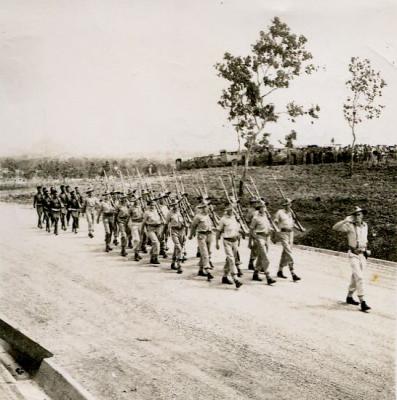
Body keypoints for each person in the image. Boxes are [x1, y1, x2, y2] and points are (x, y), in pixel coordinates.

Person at [332, 207, 371, 312]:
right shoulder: (349, 226)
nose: (357, 217)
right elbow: (335, 227)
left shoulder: (365, 226)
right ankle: (363, 301)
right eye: (355, 215)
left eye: (359, 214)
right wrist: (345, 220)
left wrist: (366, 250)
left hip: (362, 255)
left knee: (355, 277)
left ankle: (349, 297)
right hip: (353, 254)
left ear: (362, 215)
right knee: (360, 277)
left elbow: (365, 240)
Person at [273, 198, 301, 282]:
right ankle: (293, 273)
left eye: (290, 204)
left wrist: (300, 228)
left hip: (290, 233)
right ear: (285, 205)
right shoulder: (280, 212)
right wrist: (276, 230)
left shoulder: (291, 213)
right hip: (283, 233)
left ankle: (280, 271)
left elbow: (292, 223)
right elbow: (275, 222)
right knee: (289, 252)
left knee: (285, 252)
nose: (290, 205)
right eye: (289, 204)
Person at [216, 205, 243, 288]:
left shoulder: (235, 218)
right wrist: (216, 242)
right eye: (229, 210)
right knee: (231, 259)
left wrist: (239, 237)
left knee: (230, 259)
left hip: (234, 241)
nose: (231, 211)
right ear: (226, 211)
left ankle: (224, 276)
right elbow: (218, 231)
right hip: (227, 241)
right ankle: (235, 278)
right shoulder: (223, 220)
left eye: (232, 210)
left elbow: (237, 229)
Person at [250, 201, 276, 285]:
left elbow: (268, 227)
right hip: (259, 237)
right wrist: (255, 238)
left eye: (264, 206)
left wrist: (271, 231)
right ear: (259, 208)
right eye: (262, 207)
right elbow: (251, 229)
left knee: (261, 257)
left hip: (266, 238)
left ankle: (255, 274)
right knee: (265, 256)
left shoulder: (266, 217)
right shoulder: (255, 218)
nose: (264, 208)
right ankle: (268, 276)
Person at [189, 203, 214, 281]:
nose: (208, 209)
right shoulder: (198, 216)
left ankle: (200, 269)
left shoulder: (208, 216)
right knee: (204, 253)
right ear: (203, 208)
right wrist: (191, 234)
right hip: (201, 235)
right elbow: (193, 226)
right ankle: (208, 271)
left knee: (208, 252)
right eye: (207, 207)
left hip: (209, 234)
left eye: (208, 207)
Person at [166, 200, 186, 274]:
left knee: (177, 247)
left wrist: (185, 233)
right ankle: (179, 265)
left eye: (176, 204)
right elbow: (166, 223)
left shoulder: (182, 212)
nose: (175, 206)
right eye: (173, 205)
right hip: (174, 231)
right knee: (179, 247)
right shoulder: (169, 213)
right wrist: (165, 232)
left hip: (182, 231)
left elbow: (185, 222)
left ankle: (173, 262)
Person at [142, 201, 162, 265]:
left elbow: (161, 219)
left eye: (153, 205)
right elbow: (144, 222)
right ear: (148, 205)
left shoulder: (158, 211)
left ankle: (152, 258)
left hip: (158, 228)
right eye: (151, 205)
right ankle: (156, 257)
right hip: (150, 229)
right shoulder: (147, 213)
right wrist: (142, 231)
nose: (152, 206)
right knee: (156, 242)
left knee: (154, 244)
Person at [246, 197, 260, 270]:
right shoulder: (250, 211)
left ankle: (255, 262)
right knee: (255, 247)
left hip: (259, 229)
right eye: (254, 202)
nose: (255, 204)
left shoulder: (258, 210)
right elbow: (247, 221)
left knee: (259, 247)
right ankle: (251, 262)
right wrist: (251, 229)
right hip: (254, 230)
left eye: (256, 202)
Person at [128, 196, 143, 261]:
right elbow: (129, 216)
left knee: (141, 239)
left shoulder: (142, 207)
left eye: (138, 199)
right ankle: (136, 254)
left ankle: (138, 252)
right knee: (136, 239)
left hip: (141, 224)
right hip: (134, 224)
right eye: (135, 200)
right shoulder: (131, 208)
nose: (136, 201)